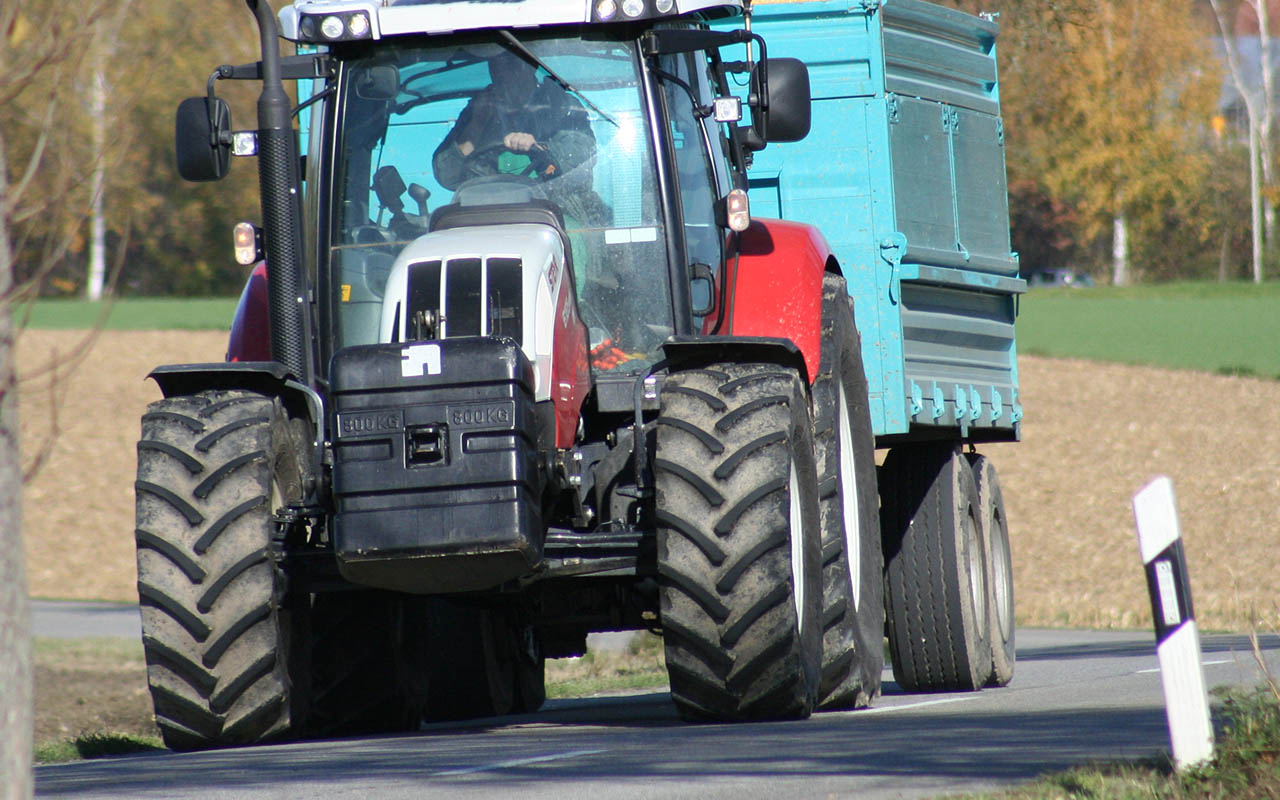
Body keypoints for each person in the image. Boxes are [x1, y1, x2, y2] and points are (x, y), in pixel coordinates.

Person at [432, 50, 597, 192]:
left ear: (530, 67)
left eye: (511, 65)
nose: (503, 74)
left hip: (557, 207)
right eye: (496, 66)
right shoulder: (478, 109)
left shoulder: (560, 104)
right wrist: (476, 126)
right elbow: (447, 176)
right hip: (491, 208)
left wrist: (541, 148)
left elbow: (584, 156)